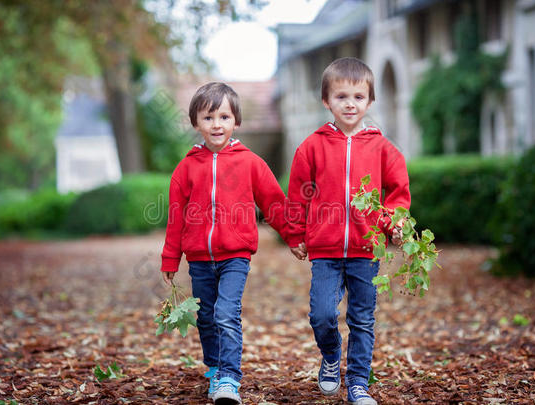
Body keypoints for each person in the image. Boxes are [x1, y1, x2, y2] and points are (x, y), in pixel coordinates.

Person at [160, 82, 304, 405]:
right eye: (208, 117)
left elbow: (274, 202)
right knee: (206, 318)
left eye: (224, 117)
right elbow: (175, 217)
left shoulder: (249, 162)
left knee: (226, 312)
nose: (216, 124)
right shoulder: (186, 169)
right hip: (199, 258)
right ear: (196, 122)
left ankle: (229, 378)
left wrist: (292, 235)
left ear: (235, 121)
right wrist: (171, 257)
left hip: (235, 256)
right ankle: (214, 367)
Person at [286, 57, 411, 405]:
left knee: (362, 319)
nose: (350, 104)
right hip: (325, 249)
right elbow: (298, 191)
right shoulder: (312, 146)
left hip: (365, 248)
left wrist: (394, 223)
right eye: (341, 96)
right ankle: (329, 357)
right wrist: (296, 234)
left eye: (358, 96)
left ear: (370, 101)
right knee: (322, 314)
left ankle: (357, 381)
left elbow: (398, 194)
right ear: (327, 101)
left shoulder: (383, 148)